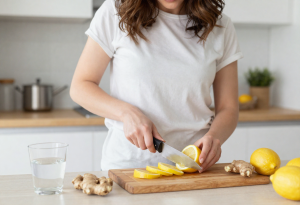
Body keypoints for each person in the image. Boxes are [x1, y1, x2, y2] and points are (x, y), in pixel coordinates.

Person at [70, 0, 243, 172]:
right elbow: (80, 86)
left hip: (193, 167)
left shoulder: (221, 26)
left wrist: (214, 137)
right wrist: (127, 113)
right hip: (129, 168)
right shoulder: (115, 11)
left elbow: (228, 108)